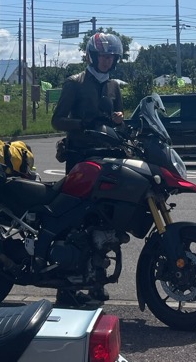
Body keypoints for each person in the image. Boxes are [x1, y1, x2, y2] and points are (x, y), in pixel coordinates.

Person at [51, 31, 124, 307]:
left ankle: (96, 283)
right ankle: (65, 288)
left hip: (107, 158)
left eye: (111, 56)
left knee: (103, 220)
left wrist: (120, 120)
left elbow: (118, 121)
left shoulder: (114, 86)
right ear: (92, 56)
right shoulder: (75, 83)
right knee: (72, 221)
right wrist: (82, 124)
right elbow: (57, 120)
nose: (107, 60)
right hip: (80, 158)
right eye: (102, 56)